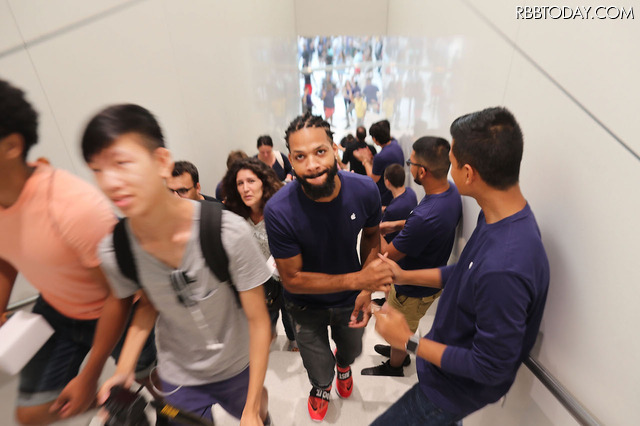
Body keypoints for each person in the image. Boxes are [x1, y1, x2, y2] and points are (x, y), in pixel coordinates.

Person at [82, 104, 273, 425]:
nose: (111, 182)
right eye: (98, 170)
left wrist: (253, 408)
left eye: (121, 163)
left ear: (161, 162)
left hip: (237, 365)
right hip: (178, 374)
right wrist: (124, 369)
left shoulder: (226, 232)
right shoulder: (116, 250)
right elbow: (148, 305)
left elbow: (258, 321)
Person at [372, 107, 550, 425]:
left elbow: (488, 366)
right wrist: (403, 274)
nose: (448, 170)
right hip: (446, 367)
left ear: (468, 173)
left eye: (451, 163)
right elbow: (467, 271)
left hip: (451, 389)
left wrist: (407, 341)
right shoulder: (500, 215)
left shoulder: (505, 266)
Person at [0, 79, 156, 425]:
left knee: (150, 381)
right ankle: (129, 406)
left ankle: (149, 404)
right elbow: (6, 254)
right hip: (57, 308)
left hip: (119, 308)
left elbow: (121, 294)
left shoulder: (73, 207)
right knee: (30, 413)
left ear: (11, 145)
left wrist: (90, 374)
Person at [263, 112, 393, 422]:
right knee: (318, 366)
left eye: (320, 151)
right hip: (304, 306)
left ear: (334, 148)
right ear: (290, 162)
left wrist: (365, 288)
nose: (312, 164)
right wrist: (358, 279)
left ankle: (344, 366)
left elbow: (373, 235)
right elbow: (292, 280)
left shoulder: (363, 190)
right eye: (300, 156)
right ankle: (321, 388)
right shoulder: (279, 210)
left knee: (350, 351)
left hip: (350, 301)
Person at [361, 137, 462, 377]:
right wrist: (396, 224)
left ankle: (396, 364)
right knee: (401, 325)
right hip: (428, 276)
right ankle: (398, 351)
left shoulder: (426, 217)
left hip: (412, 290)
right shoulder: (450, 192)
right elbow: (423, 224)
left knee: (401, 329)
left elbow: (387, 255)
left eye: (411, 162)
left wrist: (373, 227)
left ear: (422, 171)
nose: (409, 166)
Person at [222, 158, 298, 351]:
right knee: (267, 315)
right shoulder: (235, 214)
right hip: (258, 279)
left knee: (290, 313)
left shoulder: (281, 210)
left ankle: (294, 340)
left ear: (263, 182)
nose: (246, 188)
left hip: (285, 274)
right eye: (240, 183)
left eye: (251, 181)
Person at [356, 120, 405, 207]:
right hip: (398, 189)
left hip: (386, 196)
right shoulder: (395, 143)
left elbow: (373, 179)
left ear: (374, 139)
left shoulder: (380, 157)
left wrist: (365, 160)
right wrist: (372, 159)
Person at [379, 163, 417, 242]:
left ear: (387, 182)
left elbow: (382, 232)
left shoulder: (391, 210)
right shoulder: (411, 193)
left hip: (394, 243)